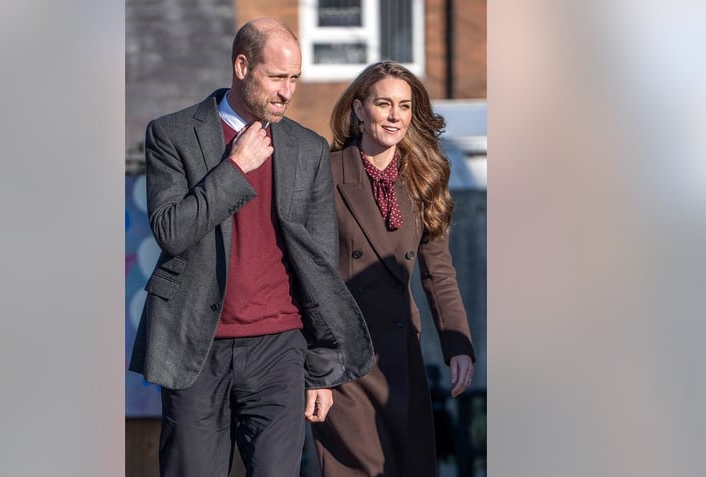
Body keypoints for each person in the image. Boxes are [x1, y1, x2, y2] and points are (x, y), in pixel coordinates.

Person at [128, 18, 374, 477]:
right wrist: (236, 168)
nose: (287, 91)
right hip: (194, 348)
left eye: (295, 78)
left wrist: (321, 367)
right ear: (242, 66)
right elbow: (170, 231)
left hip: (279, 350)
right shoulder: (172, 134)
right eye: (277, 77)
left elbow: (320, 266)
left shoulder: (307, 148)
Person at [310, 61, 476, 476]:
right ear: (359, 109)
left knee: (408, 465)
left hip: (401, 353)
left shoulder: (425, 177)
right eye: (383, 103)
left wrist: (458, 345)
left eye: (404, 106)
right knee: (361, 467)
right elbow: (309, 272)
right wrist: (316, 367)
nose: (394, 115)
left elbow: (438, 271)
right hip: (345, 354)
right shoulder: (325, 173)